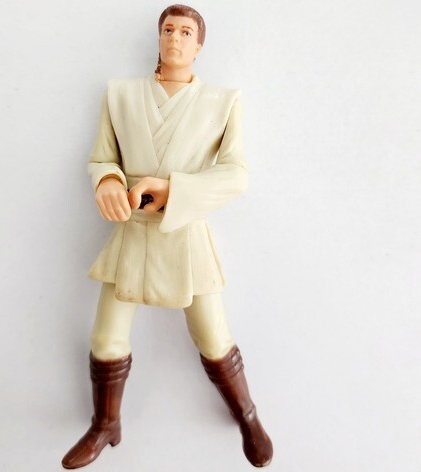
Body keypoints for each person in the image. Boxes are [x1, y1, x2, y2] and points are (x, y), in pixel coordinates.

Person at [62, 4, 273, 469]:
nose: (175, 38)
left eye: (186, 32)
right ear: (158, 38)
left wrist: (176, 190)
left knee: (213, 337)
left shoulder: (222, 101)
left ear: (199, 46)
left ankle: (248, 415)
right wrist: (108, 181)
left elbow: (236, 174)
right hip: (132, 233)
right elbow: (102, 157)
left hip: (185, 234)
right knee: (106, 338)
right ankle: (105, 424)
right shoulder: (120, 94)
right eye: (168, 30)